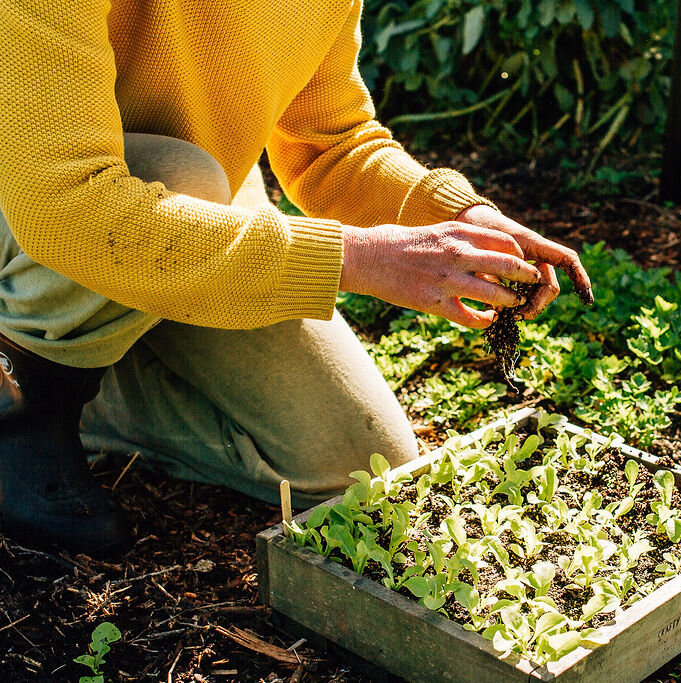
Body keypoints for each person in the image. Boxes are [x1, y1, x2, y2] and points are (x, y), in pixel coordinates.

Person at [0, 1, 591, 556]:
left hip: (171, 211)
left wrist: (458, 218)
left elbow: (330, 142)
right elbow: (64, 205)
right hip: (37, 197)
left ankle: (90, 381)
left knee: (356, 462)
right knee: (182, 174)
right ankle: (22, 397)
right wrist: (355, 258)